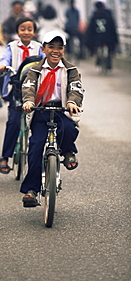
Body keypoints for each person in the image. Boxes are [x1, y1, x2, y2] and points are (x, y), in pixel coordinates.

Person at [21, 30, 84, 207]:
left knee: (69, 129)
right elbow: (29, 87)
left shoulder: (71, 69)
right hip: (40, 110)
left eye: (60, 47)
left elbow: (76, 88)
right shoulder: (35, 70)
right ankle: (31, 190)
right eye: (51, 47)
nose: (55, 51)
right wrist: (28, 101)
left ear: (64, 49)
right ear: (43, 49)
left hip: (61, 109)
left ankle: (68, 151)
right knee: (35, 148)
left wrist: (72, 102)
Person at [0, 17, 45, 174]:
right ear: (17, 31)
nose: (26, 32)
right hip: (17, 87)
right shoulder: (11, 47)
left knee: (40, 122)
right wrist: (3, 65)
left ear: (34, 32)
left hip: (34, 89)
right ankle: (5, 157)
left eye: (29, 29)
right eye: (22, 29)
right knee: (13, 122)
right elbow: (5, 58)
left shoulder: (39, 47)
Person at [85, 0, 118, 70]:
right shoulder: (108, 15)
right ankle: (109, 61)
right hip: (108, 37)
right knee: (110, 48)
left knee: (95, 47)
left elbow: (90, 29)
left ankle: (97, 57)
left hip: (97, 38)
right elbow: (112, 27)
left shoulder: (94, 16)